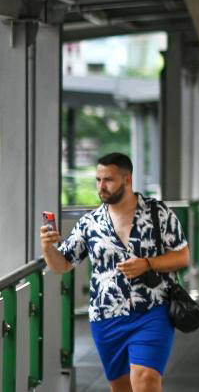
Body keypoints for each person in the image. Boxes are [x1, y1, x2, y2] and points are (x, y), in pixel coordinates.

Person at [40, 153, 190, 392]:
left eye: (108, 180)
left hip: (152, 310)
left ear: (127, 179)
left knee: (146, 379)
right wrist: (48, 247)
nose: (101, 187)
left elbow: (182, 256)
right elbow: (62, 265)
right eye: (98, 180)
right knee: (121, 388)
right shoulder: (90, 223)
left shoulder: (158, 213)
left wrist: (148, 263)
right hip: (106, 317)